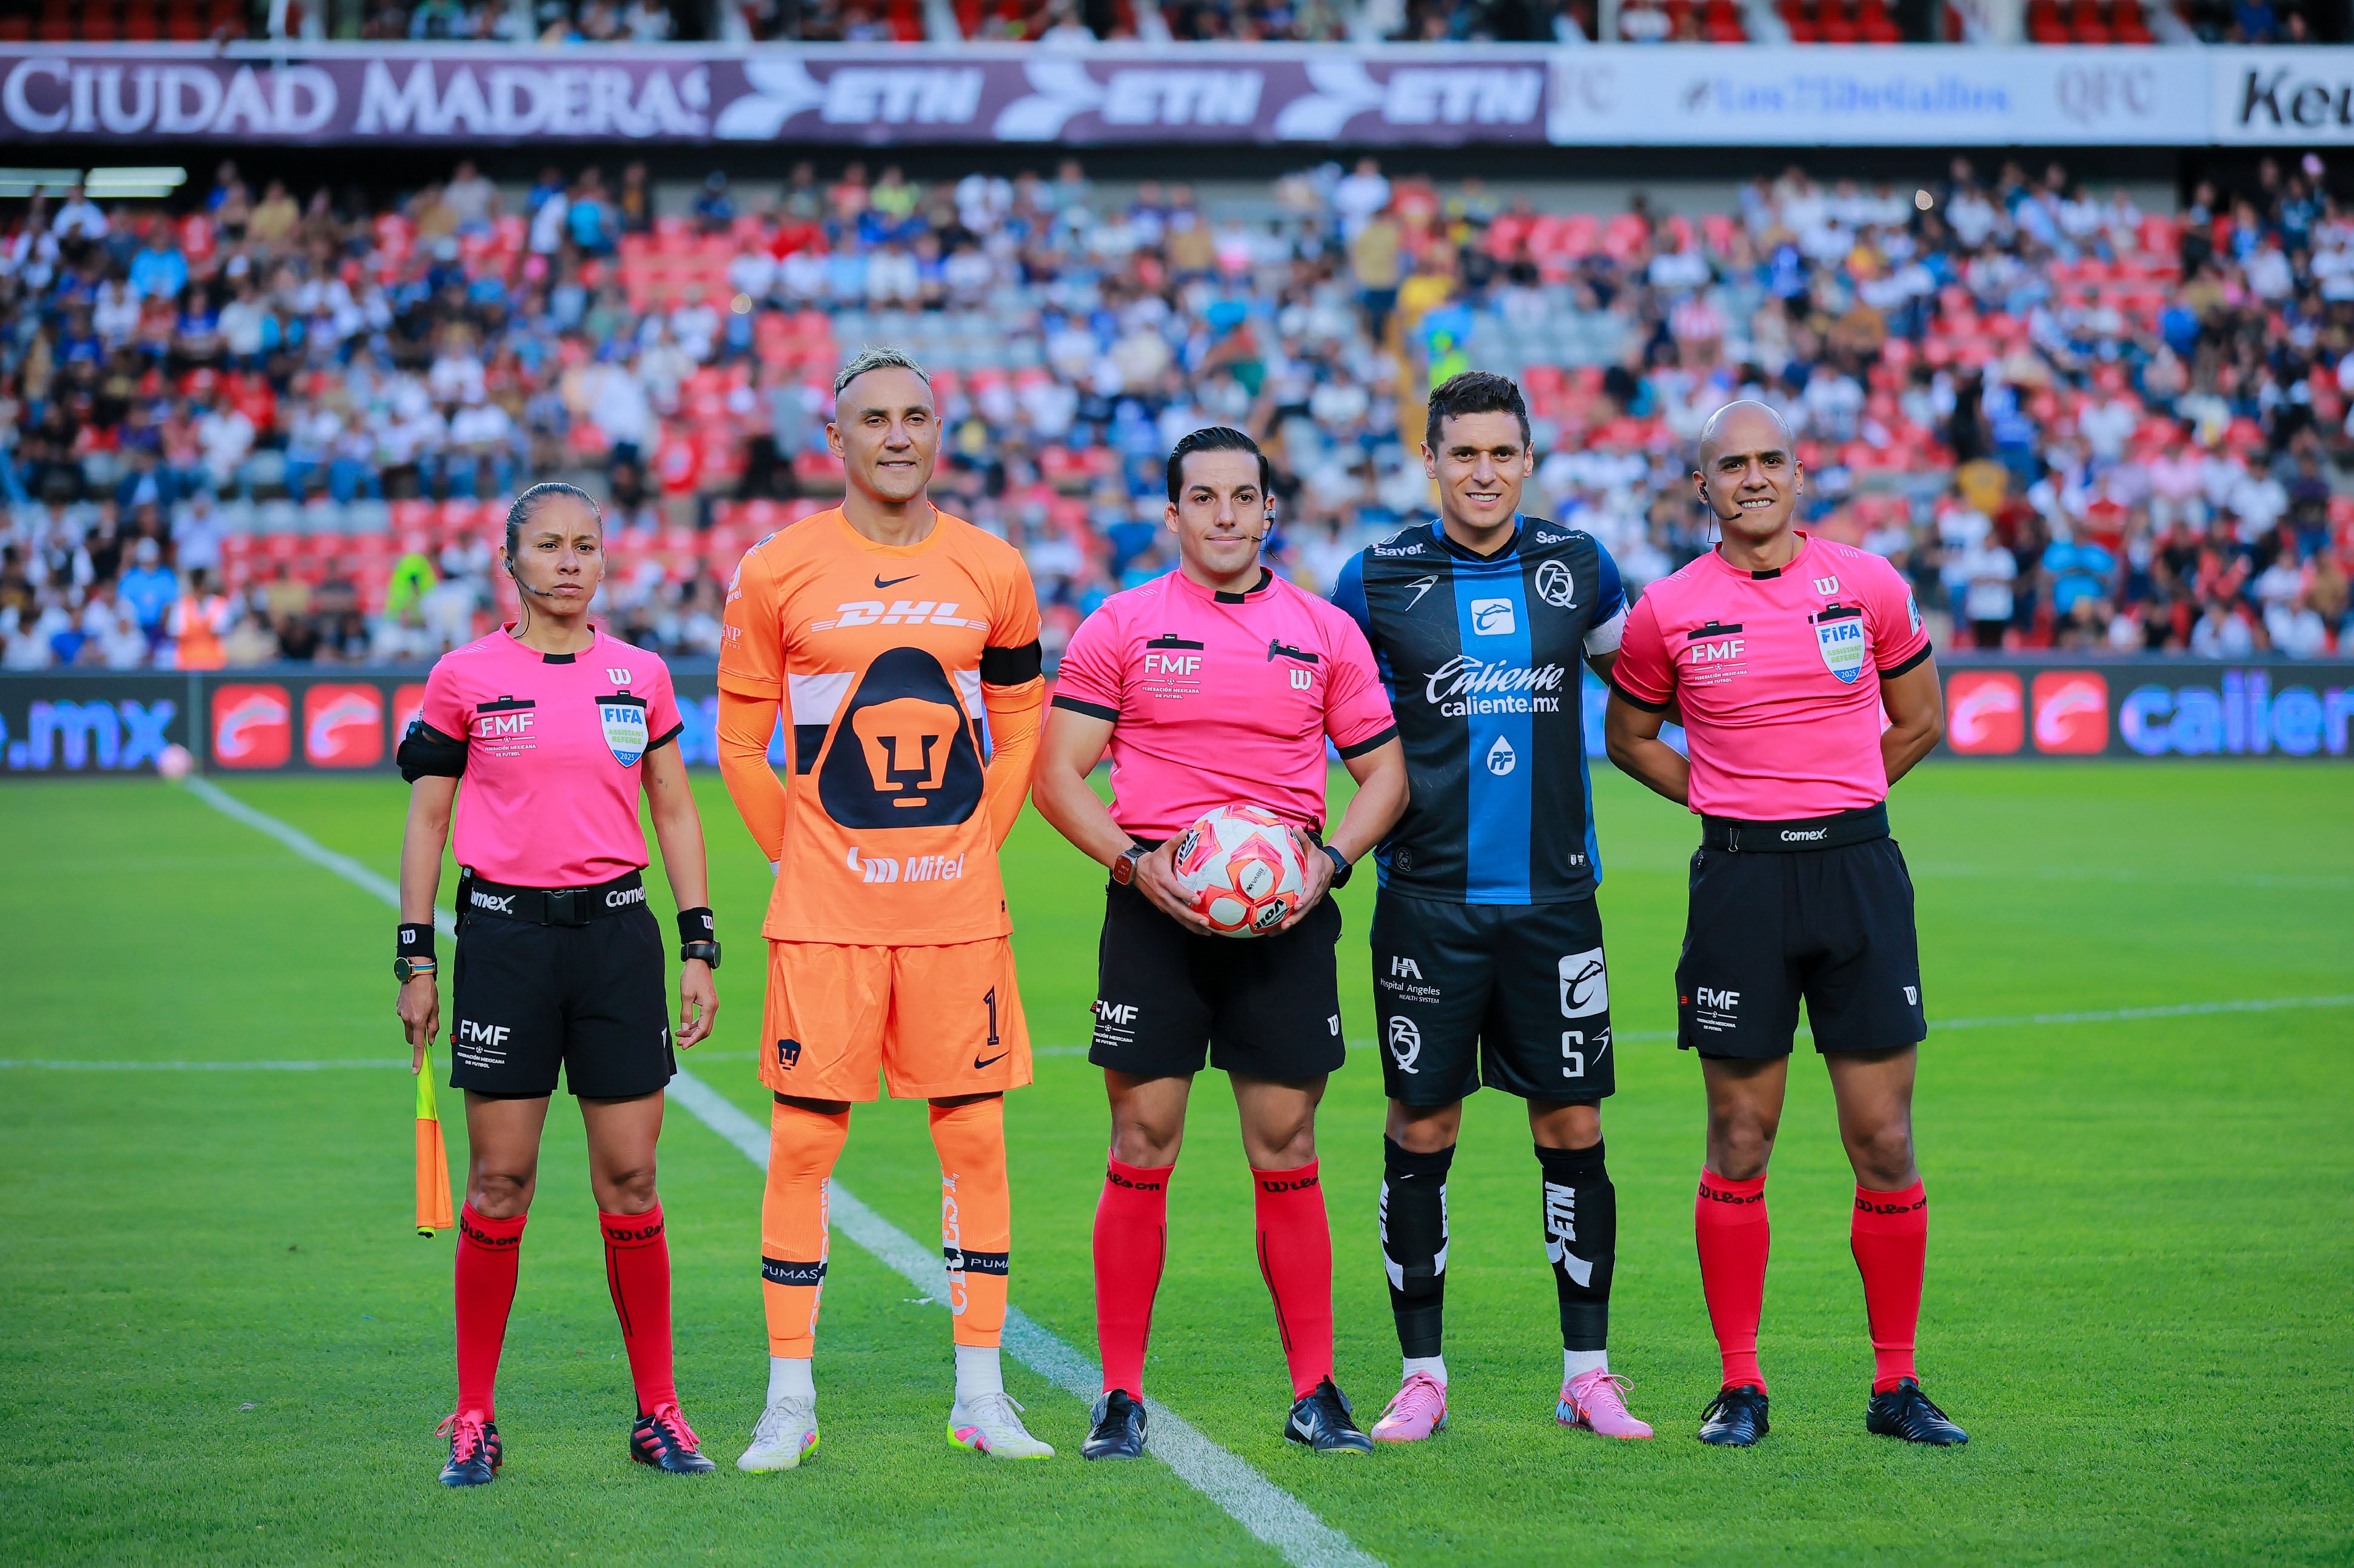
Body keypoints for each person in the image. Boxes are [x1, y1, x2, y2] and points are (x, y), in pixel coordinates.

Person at [1031, 427, 1409, 1460]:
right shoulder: (1123, 624)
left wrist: (1328, 863)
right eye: (1204, 498)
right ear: (1173, 515)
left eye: (1245, 496)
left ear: (1270, 511)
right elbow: (1057, 774)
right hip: (1153, 914)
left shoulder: (1325, 631)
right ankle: (1119, 1396)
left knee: (1286, 1145)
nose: (1227, 515)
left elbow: (1387, 776)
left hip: (1286, 920)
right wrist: (1133, 863)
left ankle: (1317, 1391)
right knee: (1142, 1141)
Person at [1602, 401, 1965, 1449]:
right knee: (1740, 1134)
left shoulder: (1870, 583)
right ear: (1701, 486)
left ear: (1799, 475)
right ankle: (1741, 1385)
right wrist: (1732, 800)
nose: (1753, 478)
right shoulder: (1668, 609)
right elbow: (1629, 736)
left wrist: (1836, 802)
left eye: (1771, 461)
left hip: (1857, 873)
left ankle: (1895, 1387)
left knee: (1884, 1137)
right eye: (1731, 465)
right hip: (1740, 886)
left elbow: (1922, 718)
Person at [716, 347, 1052, 1471]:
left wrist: (969, 849)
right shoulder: (777, 570)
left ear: (938, 432)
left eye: (917, 416)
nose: (898, 436)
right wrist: (810, 857)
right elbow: (738, 738)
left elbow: (1019, 734)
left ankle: (981, 1396)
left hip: (959, 916)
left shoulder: (995, 567)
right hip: (826, 922)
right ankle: (790, 1402)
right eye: (875, 420)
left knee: (977, 1143)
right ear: (837, 440)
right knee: (804, 1146)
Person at [1330, 372, 1652, 1446]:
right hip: (1427, 903)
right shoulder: (1373, 579)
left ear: (1529, 461)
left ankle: (1588, 1373)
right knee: (1422, 1124)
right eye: (1461, 453)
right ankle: (1422, 1376)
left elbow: (1646, 695)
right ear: (1430, 461)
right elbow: (1324, 718)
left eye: (1501, 454)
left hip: (1556, 902)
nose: (1482, 472)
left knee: (1573, 1124)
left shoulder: (1581, 568)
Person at [393, 482, 723, 1487]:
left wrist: (698, 941)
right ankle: (474, 1416)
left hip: (619, 942)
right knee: (501, 1184)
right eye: (549, 546)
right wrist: (416, 956)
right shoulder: (464, 677)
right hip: (505, 941)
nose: (571, 562)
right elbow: (426, 822)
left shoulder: (642, 673)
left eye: (587, 546)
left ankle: (659, 1413)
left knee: (632, 1180)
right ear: (513, 561)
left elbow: (673, 810)